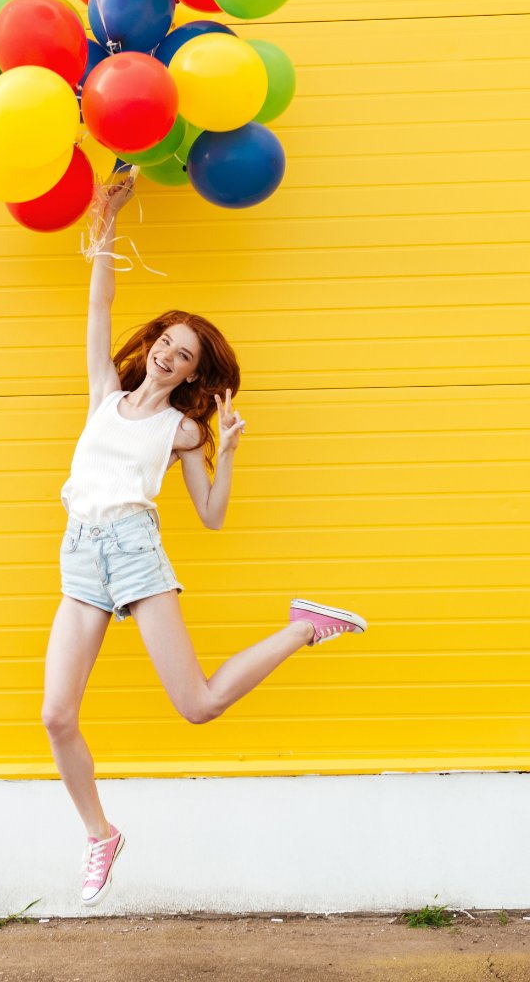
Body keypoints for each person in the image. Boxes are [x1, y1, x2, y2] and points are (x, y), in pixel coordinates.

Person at [41, 175, 369, 907]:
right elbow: (101, 303)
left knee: (198, 705)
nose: (169, 355)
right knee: (57, 714)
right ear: (152, 344)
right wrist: (107, 220)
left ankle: (303, 630)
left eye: (185, 354)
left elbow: (212, 516)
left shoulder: (182, 429)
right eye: (166, 341)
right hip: (79, 553)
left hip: (133, 550)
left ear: (193, 373)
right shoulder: (104, 391)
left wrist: (232, 446)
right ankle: (101, 836)